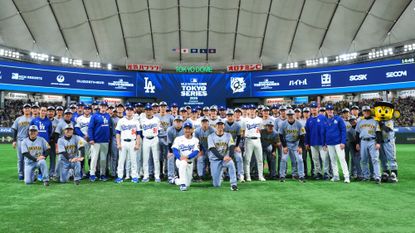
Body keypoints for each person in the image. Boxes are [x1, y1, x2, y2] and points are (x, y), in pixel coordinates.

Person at [208, 119, 238, 191]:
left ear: (224, 126)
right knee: (216, 184)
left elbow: (231, 146)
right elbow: (212, 149)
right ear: (215, 126)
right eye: (218, 125)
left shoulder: (228, 135)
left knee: (231, 164)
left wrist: (229, 156)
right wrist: (222, 157)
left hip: (226, 159)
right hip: (215, 160)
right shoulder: (210, 136)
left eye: (221, 124)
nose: (220, 126)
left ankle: (233, 184)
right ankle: (220, 175)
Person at [115, 104, 141, 183]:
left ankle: (134, 176)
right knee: (121, 161)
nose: (129, 111)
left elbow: (138, 133)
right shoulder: (121, 120)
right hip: (123, 142)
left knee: (133, 160)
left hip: (133, 142)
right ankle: (119, 176)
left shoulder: (136, 121)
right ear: (125, 111)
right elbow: (117, 133)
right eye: (128, 110)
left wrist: (137, 144)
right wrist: (118, 143)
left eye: (131, 110)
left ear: (133, 111)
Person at [355, 106, 382, 184]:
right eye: (365, 111)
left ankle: (377, 176)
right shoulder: (360, 121)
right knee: (363, 160)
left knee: (375, 159)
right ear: (363, 112)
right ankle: (366, 176)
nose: (366, 112)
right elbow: (357, 133)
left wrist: (378, 143)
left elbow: (378, 132)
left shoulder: (375, 121)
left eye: (367, 111)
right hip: (363, 141)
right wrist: (357, 143)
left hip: (372, 141)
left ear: (370, 112)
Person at [324, 104, 350, 183]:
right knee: (333, 160)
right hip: (329, 143)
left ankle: (346, 176)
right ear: (326, 111)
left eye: (331, 110)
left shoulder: (338, 119)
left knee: (342, 159)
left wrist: (343, 142)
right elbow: (324, 132)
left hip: (338, 143)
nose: (330, 111)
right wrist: (325, 143)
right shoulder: (325, 120)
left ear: (333, 111)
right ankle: (336, 176)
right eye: (328, 110)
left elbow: (343, 130)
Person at [278, 109, 306, 183]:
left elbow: (302, 136)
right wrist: (284, 146)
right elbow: (280, 135)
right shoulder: (283, 124)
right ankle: (282, 175)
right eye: (288, 115)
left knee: (300, 159)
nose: (290, 116)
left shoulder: (299, 124)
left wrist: (300, 147)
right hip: (287, 143)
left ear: (294, 115)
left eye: (291, 115)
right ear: (286, 116)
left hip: (296, 143)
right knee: (283, 159)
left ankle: (301, 176)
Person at [171, 122, 199, 191]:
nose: (187, 130)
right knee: (183, 163)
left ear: (192, 130)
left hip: (190, 162)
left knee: (188, 183)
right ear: (183, 129)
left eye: (189, 129)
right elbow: (175, 150)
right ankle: (182, 185)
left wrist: (187, 157)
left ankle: (176, 180)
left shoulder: (195, 140)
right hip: (179, 160)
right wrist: (180, 157)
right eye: (186, 128)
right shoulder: (178, 139)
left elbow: (196, 151)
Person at [88, 101, 112, 182]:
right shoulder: (94, 116)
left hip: (105, 141)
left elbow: (110, 128)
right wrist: (91, 138)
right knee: (94, 158)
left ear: (106, 107)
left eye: (105, 106)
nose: (103, 107)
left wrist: (109, 138)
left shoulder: (108, 116)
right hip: (96, 141)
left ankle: (102, 174)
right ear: (99, 107)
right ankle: (92, 174)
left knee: (103, 159)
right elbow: (90, 128)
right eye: (102, 106)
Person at [241, 104, 266, 182]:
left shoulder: (259, 119)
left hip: (258, 139)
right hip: (248, 140)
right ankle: (248, 176)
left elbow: (261, 130)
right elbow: (243, 131)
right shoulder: (244, 120)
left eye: (253, 109)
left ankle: (260, 176)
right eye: (250, 109)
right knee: (247, 160)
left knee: (260, 159)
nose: (252, 110)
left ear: (255, 110)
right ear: (248, 110)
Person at [305, 102, 329, 180]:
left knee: (324, 158)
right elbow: (307, 132)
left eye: (315, 107)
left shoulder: (323, 117)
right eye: (312, 108)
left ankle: (326, 173)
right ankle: (318, 173)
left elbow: (327, 130)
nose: (314, 109)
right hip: (312, 143)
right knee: (315, 159)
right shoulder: (309, 120)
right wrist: (307, 143)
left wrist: (326, 142)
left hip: (322, 143)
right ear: (311, 110)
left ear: (318, 109)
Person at [30, 106, 53, 181]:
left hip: (45, 143)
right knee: (34, 158)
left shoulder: (49, 121)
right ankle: (32, 172)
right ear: (39, 111)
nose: (43, 112)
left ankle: (40, 173)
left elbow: (49, 132)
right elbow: (30, 131)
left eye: (44, 111)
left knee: (43, 158)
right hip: (35, 143)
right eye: (42, 110)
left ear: (46, 112)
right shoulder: (34, 120)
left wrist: (47, 140)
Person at [141, 104, 162, 182]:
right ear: (145, 111)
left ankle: (157, 176)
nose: (148, 111)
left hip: (155, 139)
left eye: (150, 110)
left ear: (152, 111)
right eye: (147, 110)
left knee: (156, 159)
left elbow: (159, 129)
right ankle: (146, 176)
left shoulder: (156, 119)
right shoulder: (141, 119)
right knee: (145, 159)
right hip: (145, 139)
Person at [12, 103, 33, 180]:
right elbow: (14, 129)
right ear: (23, 110)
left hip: (29, 141)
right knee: (20, 158)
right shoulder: (18, 119)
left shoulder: (33, 119)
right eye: (25, 108)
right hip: (20, 140)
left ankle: (27, 173)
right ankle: (21, 173)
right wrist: (14, 140)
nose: (27, 109)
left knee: (28, 158)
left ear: (30, 109)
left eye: (28, 108)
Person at [224, 110, 244, 182]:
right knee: (224, 159)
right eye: (228, 116)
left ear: (234, 116)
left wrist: (237, 146)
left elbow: (239, 136)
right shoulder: (223, 124)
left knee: (239, 157)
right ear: (226, 117)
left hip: (234, 144)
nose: (230, 117)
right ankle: (224, 174)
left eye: (231, 115)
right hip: (224, 145)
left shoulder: (238, 125)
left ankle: (240, 175)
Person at [155, 101, 174, 179]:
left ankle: (166, 172)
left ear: (166, 107)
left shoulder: (170, 117)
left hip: (166, 138)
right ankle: (159, 172)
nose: (163, 108)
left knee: (167, 156)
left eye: (164, 106)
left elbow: (173, 128)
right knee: (159, 156)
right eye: (161, 106)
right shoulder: (155, 116)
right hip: (157, 137)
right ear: (159, 107)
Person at [75, 105, 92, 178]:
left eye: (88, 109)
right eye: (86, 109)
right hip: (82, 139)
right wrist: (83, 136)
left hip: (91, 139)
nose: (87, 110)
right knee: (81, 156)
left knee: (90, 156)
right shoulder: (79, 118)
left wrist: (91, 137)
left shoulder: (93, 118)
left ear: (90, 110)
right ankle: (81, 171)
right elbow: (76, 128)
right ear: (83, 110)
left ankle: (91, 171)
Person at [167, 116, 185, 183]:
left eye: (179, 121)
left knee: (183, 159)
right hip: (173, 147)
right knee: (170, 157)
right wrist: (170, 152)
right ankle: (170, 176)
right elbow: (169, 142)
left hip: (183, 148)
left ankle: (182, 175)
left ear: (182, 122)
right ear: (174, 122)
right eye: (176, 121)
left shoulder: (185, 129)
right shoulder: (170, 129)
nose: (178, 123)